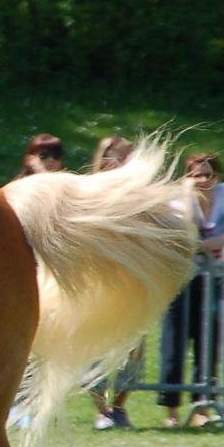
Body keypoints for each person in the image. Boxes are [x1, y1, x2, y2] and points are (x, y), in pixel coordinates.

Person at [157, 153, 224, 427]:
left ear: (218, 177)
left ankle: (202, 408)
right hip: (180, 278)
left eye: (208, 175)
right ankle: (172, 412)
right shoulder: (178, 197)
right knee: (173, 343)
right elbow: (187, 227)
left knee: (209, 342)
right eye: (196, 175)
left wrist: (221, 241)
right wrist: (189, 195)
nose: (203, 181)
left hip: (212, 279)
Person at [85, 138, 141, 428]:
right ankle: (102, 409)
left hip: (132, 282)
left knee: (135, 350)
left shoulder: (140, 194)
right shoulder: (89, 192)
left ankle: (119, 407)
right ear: (107, 161)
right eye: (126, 156)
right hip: (99, 281)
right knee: (96, 350)